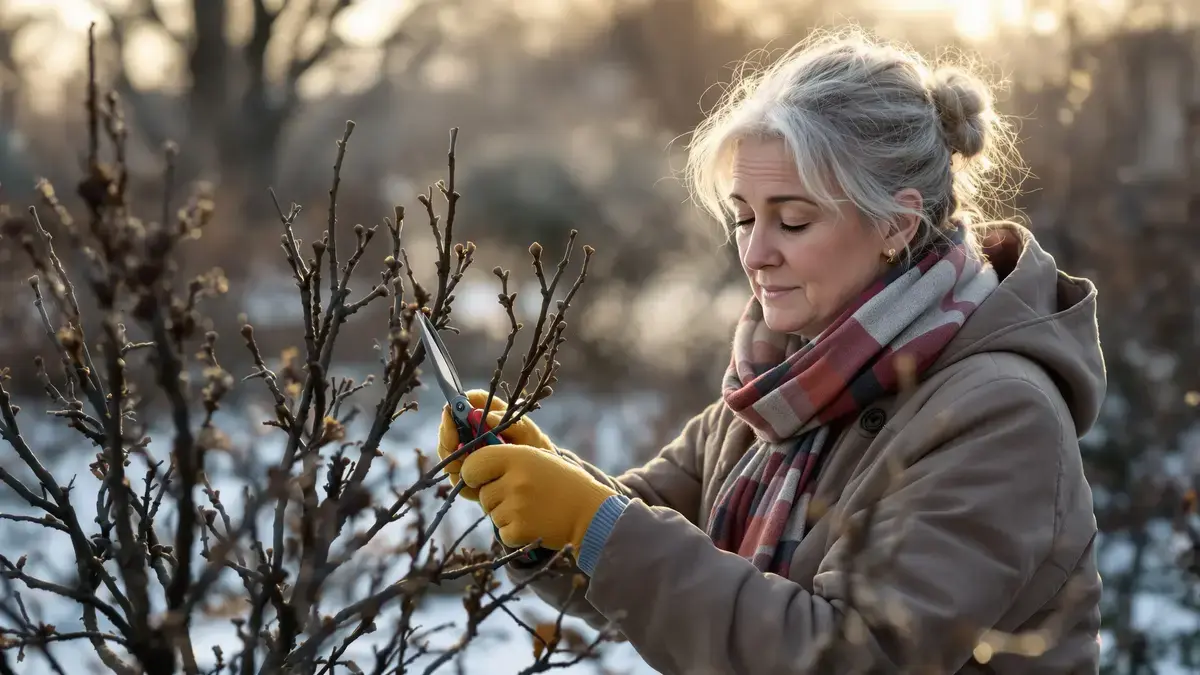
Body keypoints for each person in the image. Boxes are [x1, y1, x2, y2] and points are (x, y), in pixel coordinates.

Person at [436, 27, 1104, 674]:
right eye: (745, 217)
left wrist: (594, 521)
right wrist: (541, 487)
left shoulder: (1001, 415)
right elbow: (652, 550)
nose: (755, 253)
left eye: (792, 220)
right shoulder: (787, 372)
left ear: (895, 225)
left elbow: (848, 653)